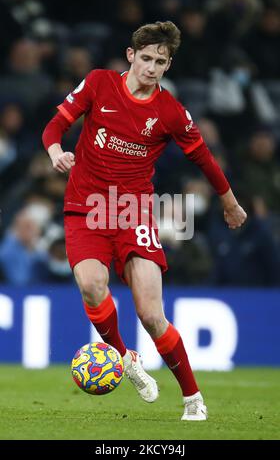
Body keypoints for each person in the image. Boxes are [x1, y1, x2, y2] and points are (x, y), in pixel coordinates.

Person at [42, 21, 247, 421]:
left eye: (161, 61)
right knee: (90, 286)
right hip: (86, 207)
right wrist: (54, 151)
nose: (152, 68)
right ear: (131, 55)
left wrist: (230, 203)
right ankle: (124, 359)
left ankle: (192, 398)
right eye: (147, 58)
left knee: (151, 314)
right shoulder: (99, 83)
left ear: (168, 66)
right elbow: (56, 124)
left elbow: (202, 158)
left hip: (133, 211)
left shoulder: (169, 111)